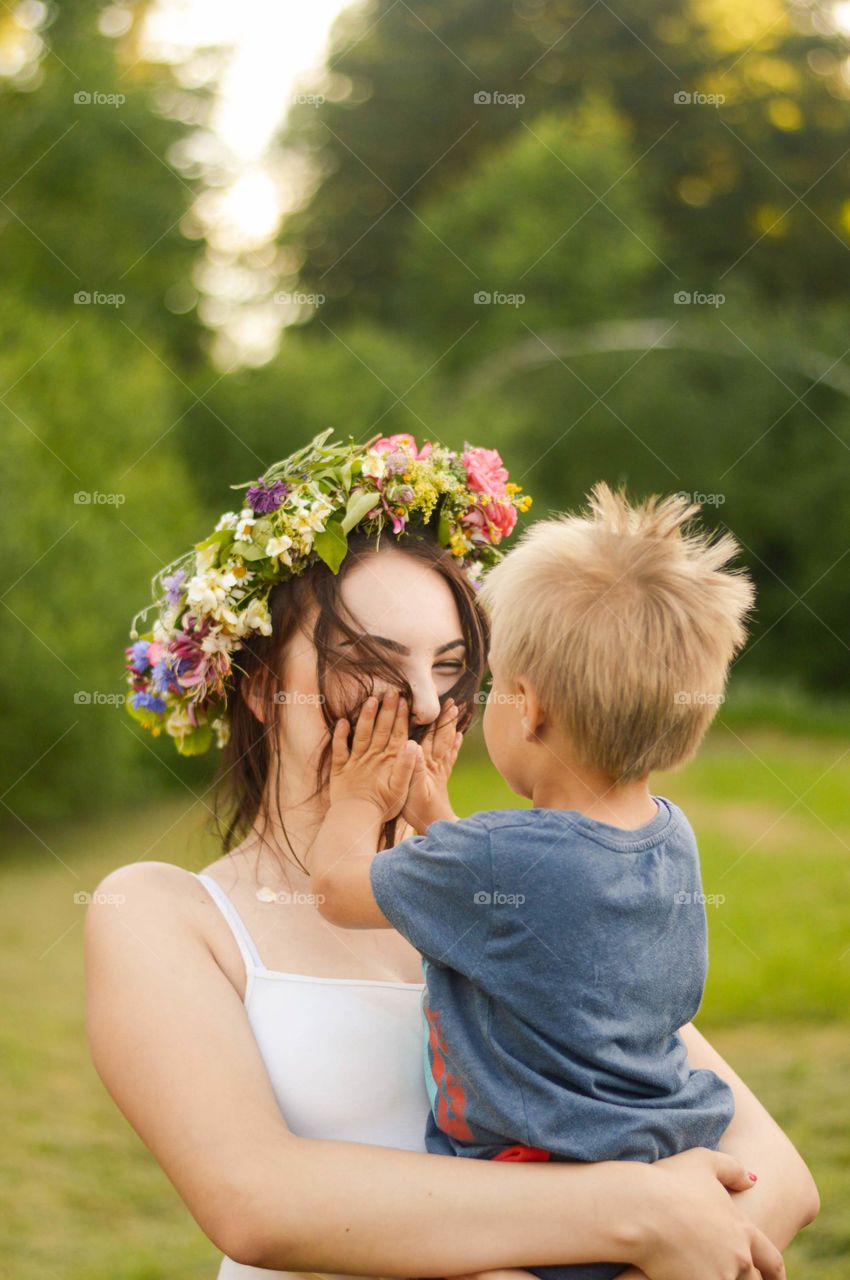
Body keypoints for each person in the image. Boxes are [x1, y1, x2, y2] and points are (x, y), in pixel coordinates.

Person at [85, 432, 816, 1280]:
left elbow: (780, 1177)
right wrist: (637, 1213)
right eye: (371, 662)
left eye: (454, 666)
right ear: (257, 685)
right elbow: (259, 1201)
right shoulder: (160, 913)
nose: (429, 704)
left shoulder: (535, 888)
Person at [308, 483, 770, 1280]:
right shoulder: (669, 834)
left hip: (538, 1197)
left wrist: (359, 793)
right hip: (659, 1154)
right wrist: (435, 818)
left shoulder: (501, 853)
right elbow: (526, 913)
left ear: (526, 708)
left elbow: (337, 890)